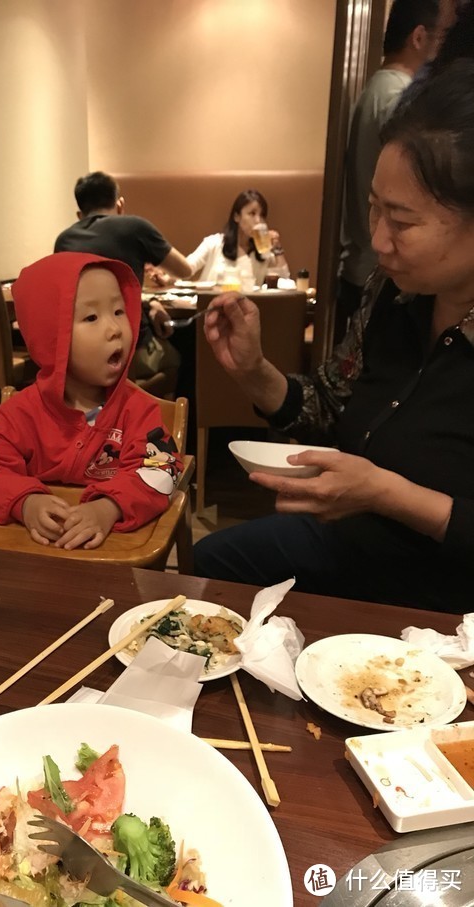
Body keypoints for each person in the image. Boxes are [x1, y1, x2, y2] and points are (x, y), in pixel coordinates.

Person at [193, 59, 474, 613]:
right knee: (206, 570)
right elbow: (330, 405)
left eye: (403, 220)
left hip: (448, 593)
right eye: (373, 209)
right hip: (352, 542)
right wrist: (255, 371)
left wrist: (387, 494)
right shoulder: (392, 293)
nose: (379, 240)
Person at [0, 251, 183, 549]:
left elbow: (161, 470)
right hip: (33, 558)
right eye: (91, 317)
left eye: (119, 311)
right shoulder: (20, 413)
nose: (115, 329)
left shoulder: (138, 411)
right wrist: (25, 503)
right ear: (50, 335)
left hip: (113, 556)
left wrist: (108, 508)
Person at [336, 0, 456, 342]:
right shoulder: (401, 101)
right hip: (381, 274)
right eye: (443, 37)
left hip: (362, 266)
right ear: (419, 37)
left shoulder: (373, 90)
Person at [54, 171, 192, 384]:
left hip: (80, 354)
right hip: (130, 348)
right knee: (185, 353)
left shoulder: (63, 241)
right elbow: (184, 270)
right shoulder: (135, 227)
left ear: (80, 215)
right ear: (120, 205)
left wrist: (148, 302)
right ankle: (158, 408)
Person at [186, 189, 290, 288]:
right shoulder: (214, 243)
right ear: (237, 216)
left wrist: (277, 248)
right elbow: (188, 266)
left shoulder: (263, 252)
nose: (258, 220)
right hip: (212, 304)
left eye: (262, 215)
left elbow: (285, 280)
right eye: (252, 214)